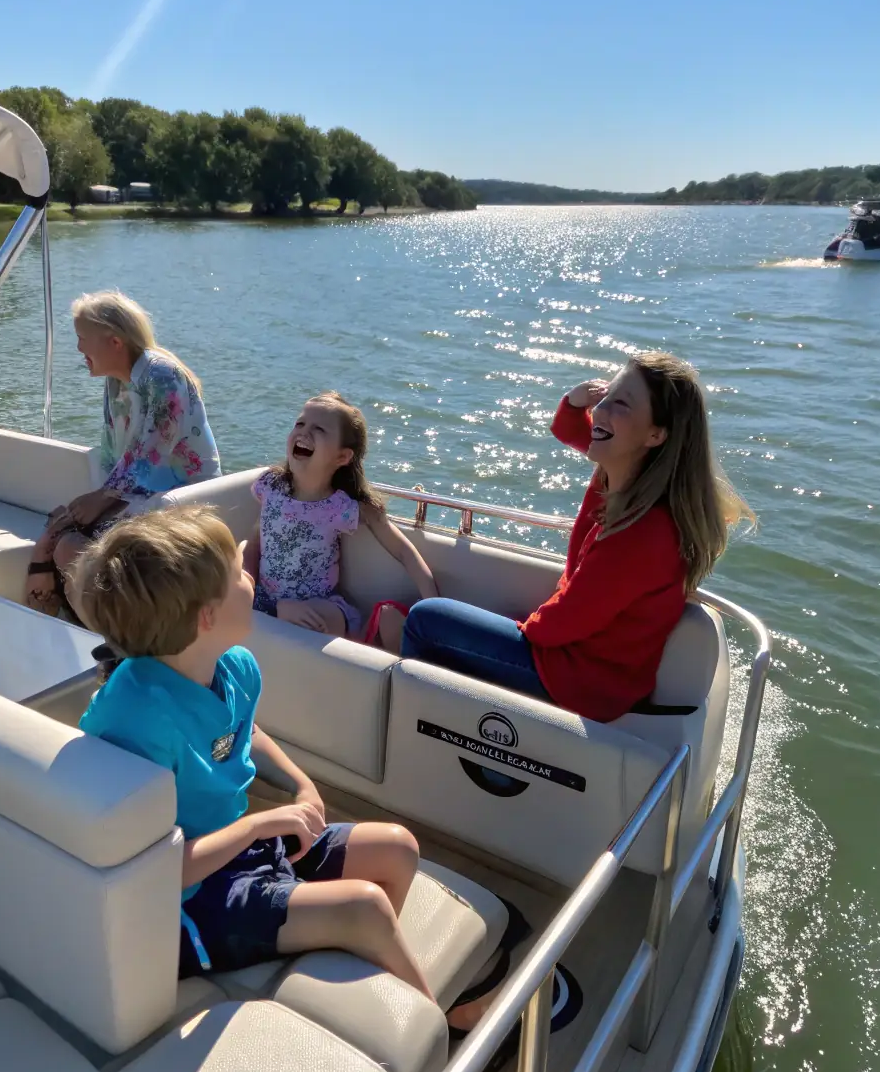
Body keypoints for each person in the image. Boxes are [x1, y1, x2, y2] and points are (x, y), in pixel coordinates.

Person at [75, 505, 435, 999]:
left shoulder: (233, 666)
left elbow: (244, 732)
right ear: (207, 617)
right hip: (193, 900)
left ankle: (349, 976)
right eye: (238, 574)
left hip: (246, 853)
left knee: (398, 849)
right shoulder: (133, 720)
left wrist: (300, 784)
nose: (252, 577)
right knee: (366, 907)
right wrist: (263, 824)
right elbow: (152, 869)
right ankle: (444, 1033)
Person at [401, 350, 753, 723]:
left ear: (656, 434)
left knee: (427, 620)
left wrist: (525, 626)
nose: (600, 410)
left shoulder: (644, 532)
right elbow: (569, 429)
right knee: (472, 619)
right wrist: (575, 401)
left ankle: (419, 728)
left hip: (583, 681)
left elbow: (566, 620)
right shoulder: (622, 470)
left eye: (620, 403)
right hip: (583, 663)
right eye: (604, 396)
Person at [0, 290, 221, 618]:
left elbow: (152, 450)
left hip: (178, 503)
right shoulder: (116, 383)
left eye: (82, 338)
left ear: (115, 342)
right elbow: (112, 455)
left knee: (75, 549)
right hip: (137, 496)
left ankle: (114, 643)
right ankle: (95, 634)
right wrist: (94, 502)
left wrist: (103, 497)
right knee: (65, 539)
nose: (78, 348)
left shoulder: (162, 375)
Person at [244, 391, 438, 651]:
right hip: (267, 599)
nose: (304, 432)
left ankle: (383, 639)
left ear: (342, 457)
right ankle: (280, 612)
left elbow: (403, 550)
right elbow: (257, 540)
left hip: (321, 607)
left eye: (319, 429)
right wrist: (246, 580)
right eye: (300, 423)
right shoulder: (271, 486)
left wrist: (433, 606)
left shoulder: (343, 508)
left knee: (316, 618)